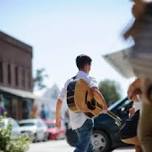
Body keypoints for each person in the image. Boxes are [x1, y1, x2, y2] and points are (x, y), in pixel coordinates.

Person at [55, 54, 107, 152]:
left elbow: (59, 101)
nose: (90, 68)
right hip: (86, 119)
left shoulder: (69, 81)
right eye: (90, 65)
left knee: (89, 148)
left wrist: (57, 118)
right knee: (82, 148)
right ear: (87, 65)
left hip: (74, 121)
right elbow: (95, 91)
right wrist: (104, 106)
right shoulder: (89, 79)